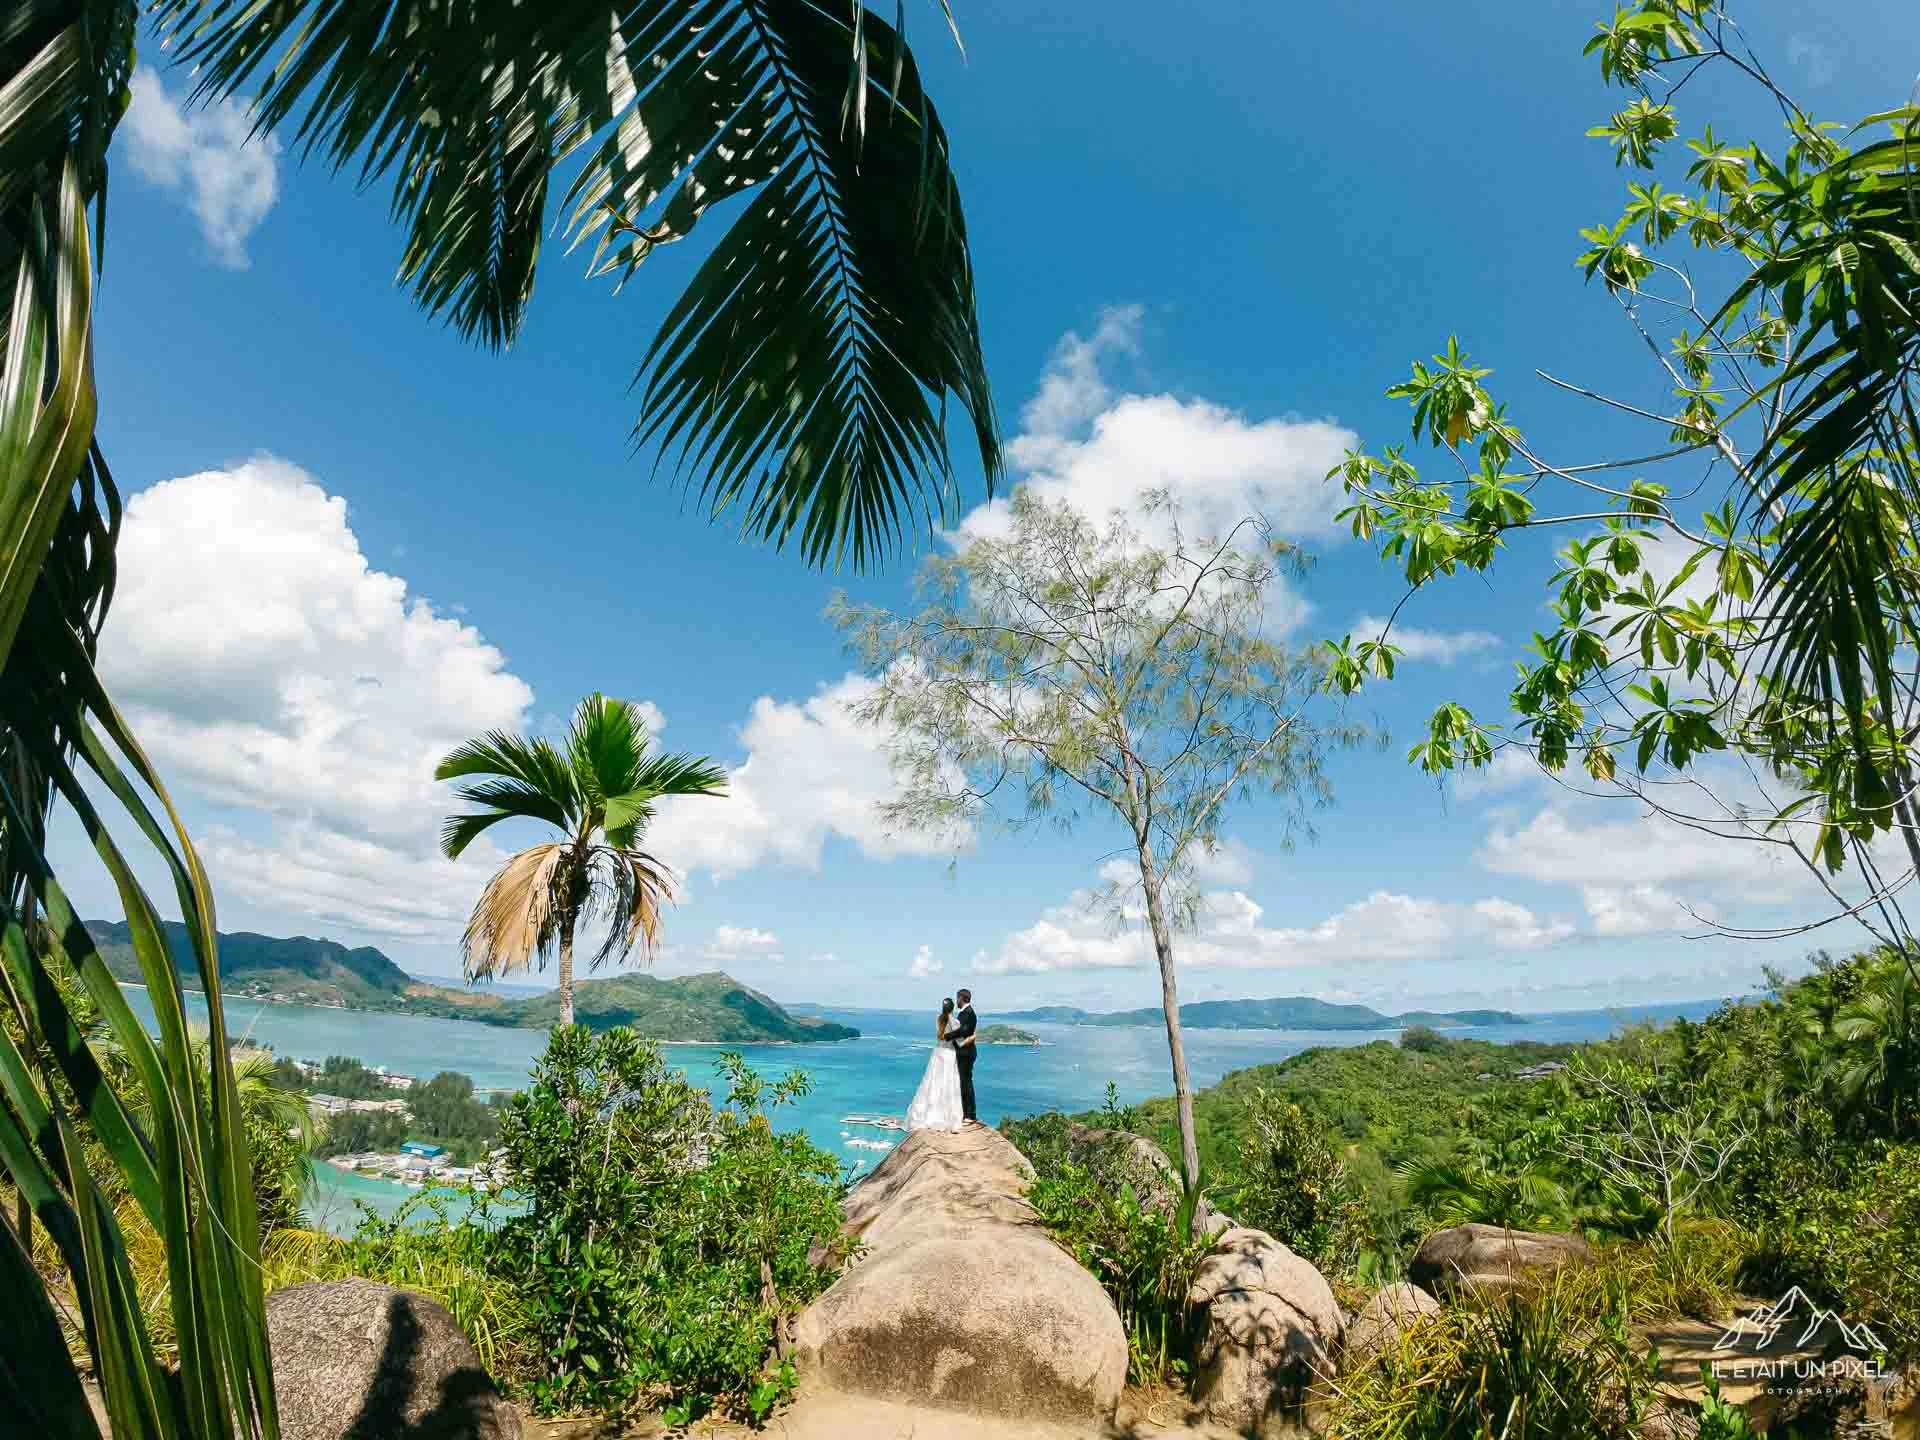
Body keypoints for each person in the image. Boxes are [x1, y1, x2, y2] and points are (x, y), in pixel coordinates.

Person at [905, 996, 964, 1132]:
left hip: (938, 1052)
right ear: (953, 1008)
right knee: (949, 1083)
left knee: (933, 1082)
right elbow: (959, 1039)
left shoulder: (938, 1019)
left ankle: (929, 1114)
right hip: (949, 1053)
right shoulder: (954, 1021)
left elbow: (941, 1035)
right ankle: (947, 1117)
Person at [949, 987, 979, 1125]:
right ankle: (965, 1113)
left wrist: (947, 1035)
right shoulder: (966, 1012)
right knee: (963, 1082)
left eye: (957, 998)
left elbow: (963, 1031)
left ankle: (970, 1115)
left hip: (966, 1053)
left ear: (962, 998)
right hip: (964, 1052)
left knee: (966, 1083)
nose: (956, 1001)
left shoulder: (968, 1013)